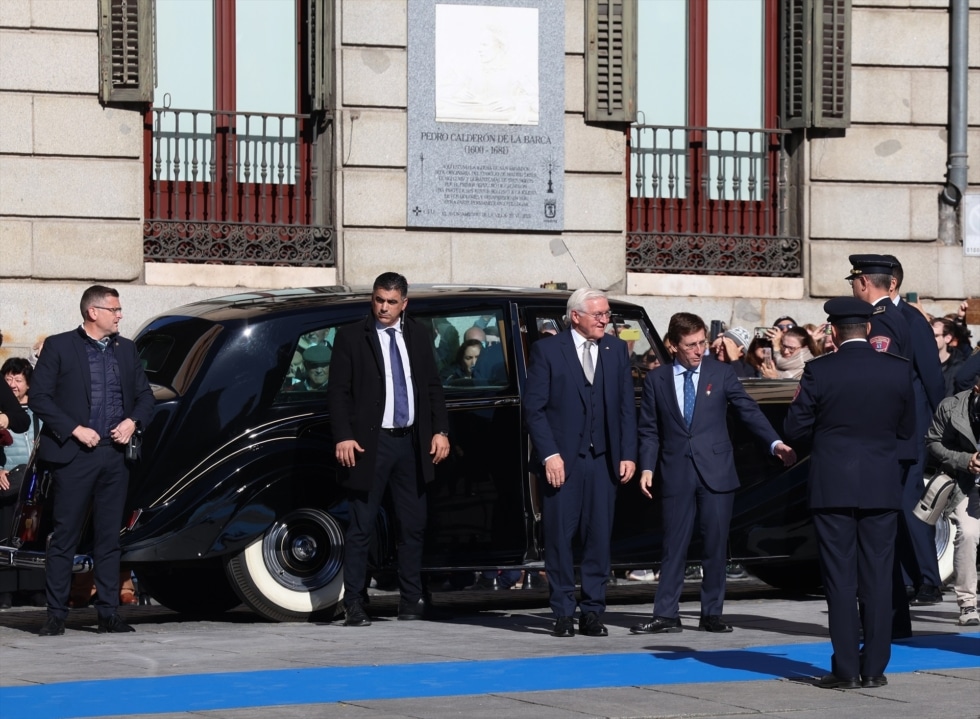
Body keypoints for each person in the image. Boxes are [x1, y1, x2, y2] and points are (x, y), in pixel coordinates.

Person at [631, 312, 795, 636]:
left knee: (716, 544)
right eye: (690, 345)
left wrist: (775, 442)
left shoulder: (721, 374)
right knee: (673, 545)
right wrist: (646, 467)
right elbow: (649, 430)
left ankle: (712, 613)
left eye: (702, 343)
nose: (698, 350)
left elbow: (748, 410)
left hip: (716, 472)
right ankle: (666, 614)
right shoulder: (657, 380)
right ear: (673, 345)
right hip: (676, 471)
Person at [784, 297, 916, 689]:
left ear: (834, 331)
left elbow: (794, 427)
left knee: (840, 579)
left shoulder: (819, 370)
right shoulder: (897, 370)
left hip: (833, 485)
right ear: (870, 330)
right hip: (880, 484)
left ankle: (845, 668)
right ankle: (874, 668)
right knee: (877, 578)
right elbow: (906, 429)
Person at [326, 272, 450, 626]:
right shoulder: (352, 336)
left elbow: (432, 386)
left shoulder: (418, 334)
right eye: (379, 300)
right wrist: (343, 435)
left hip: (410, 443)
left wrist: (440, 430)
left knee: (413, 525)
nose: (383, 307)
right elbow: (337, 392)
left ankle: (411, 600)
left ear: (404, 304)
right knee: (361, 526)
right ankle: (354, 602)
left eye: (391, 302)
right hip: (369, 444)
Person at [29, 285, 154, 636]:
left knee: (108, 538)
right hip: (74, 457)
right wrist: (74, 430)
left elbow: (146, 397)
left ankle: (108, 614)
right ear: (93, 312)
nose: (120, 315)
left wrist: (133, 422)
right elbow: (39, 397)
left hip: (115, 458)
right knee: (65, 535)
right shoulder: (59, 346)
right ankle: (55, 614)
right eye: (114, 309)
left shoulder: (127, 350)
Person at [524, 288, 637, 638]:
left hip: (603, 460)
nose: (605, 320)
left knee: (599, 538)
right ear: (576, 316)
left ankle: (592, 611)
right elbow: (534, 408)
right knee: (559, 537)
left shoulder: (616, 350)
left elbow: (625, 407)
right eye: (598, 314)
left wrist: (628, 453)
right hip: (563, 461)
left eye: (607, 314)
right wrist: (549, 454)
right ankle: (562, 611)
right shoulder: (547, 350)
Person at [881, 255, 946, 607]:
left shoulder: (910, 319)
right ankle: (906, 579)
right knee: (892, 506)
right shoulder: (875, 320)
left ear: (891, 284)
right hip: (884, 431)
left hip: (915, 427)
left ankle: (929, 580)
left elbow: (932, 377)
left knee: (911, 504)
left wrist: (941, 425)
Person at [924, 372, 980, 627]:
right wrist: (964, 461)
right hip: (967, 485)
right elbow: (933, 442)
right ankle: (967, 601)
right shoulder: (952, 406)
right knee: (967, 534)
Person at [0, 358, 46, 609]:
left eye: (18, 379)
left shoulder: (38, 410)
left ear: (29, 383)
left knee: (30, 533)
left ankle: (33, 587)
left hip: (32, 480)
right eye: (8, 379)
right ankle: (5, 590)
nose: (12, 384)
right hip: (7, 479)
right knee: (5, 535)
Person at [933, 318, 965, 397]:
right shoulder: (921, 364)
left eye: (935, 335)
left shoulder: (958, 367)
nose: (930, 338)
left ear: (947, 338)